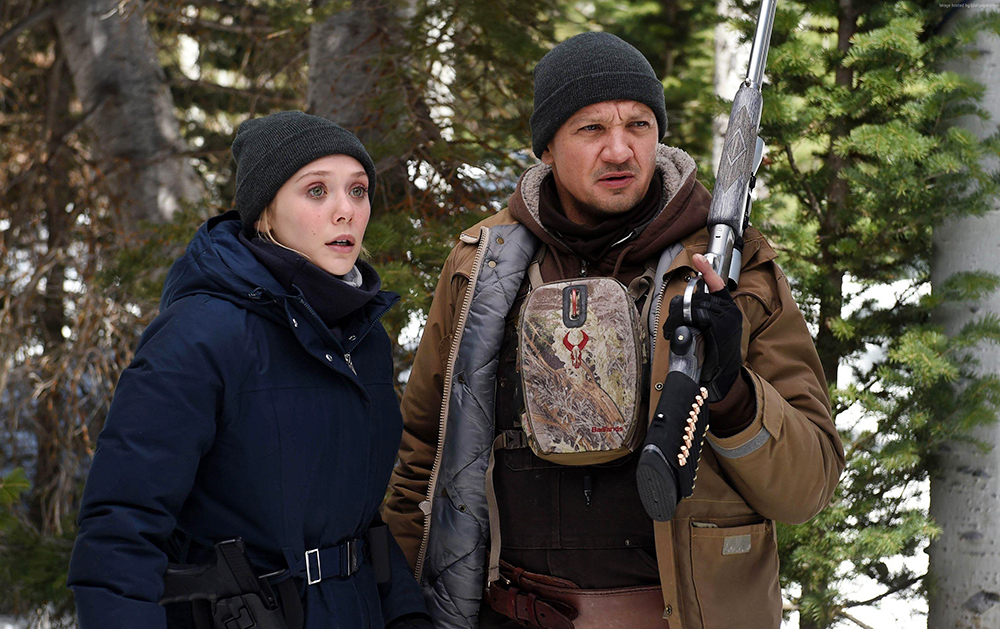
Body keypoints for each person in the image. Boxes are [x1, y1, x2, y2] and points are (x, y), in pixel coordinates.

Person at [383, 32, 845, 629]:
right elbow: (420, 460)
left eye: (639, 125)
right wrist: (400, 609)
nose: (620, 150)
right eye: (592, 129)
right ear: (546, 148)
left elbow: (808, 490)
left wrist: (733, 393)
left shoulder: (731, 269)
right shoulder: (482, 269)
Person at [68, 111, 431, 629]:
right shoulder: (199, 335)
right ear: (264, 213)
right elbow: (121, 529)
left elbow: (356, 520)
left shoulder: (362, 338)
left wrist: (407, 616)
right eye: (316, 191)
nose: (346, 211)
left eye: (358, 190)